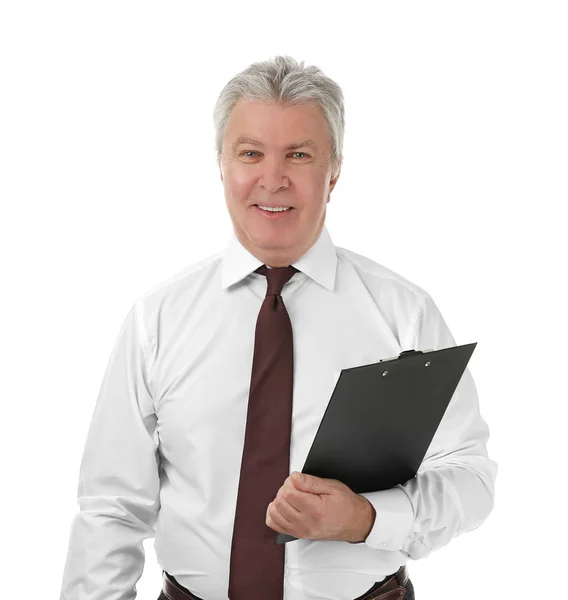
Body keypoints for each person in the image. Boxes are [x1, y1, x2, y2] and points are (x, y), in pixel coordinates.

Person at [59, 55, 497, 600]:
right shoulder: (158, 320)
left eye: (298, 154)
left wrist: (366, 517)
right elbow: (111, 507)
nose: (272, 179)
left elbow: (471, 479)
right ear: (221, 163)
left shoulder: (404, 313)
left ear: (334, 169)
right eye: (250, 153)